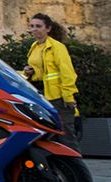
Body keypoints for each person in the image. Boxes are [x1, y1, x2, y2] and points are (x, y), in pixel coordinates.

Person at [24, 13, 79, 142]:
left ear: (48, 29)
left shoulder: (57, 47)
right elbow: (40, 71)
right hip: (40, 96)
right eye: (32, 26)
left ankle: (74, 161)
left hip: (57, 97)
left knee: (65, 135)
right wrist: (28, 72)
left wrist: (68, 97)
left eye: (38, 26)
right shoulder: (34, 47)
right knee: (47, 134)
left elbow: (67, 73)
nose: (34, 29)